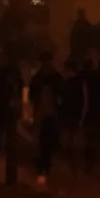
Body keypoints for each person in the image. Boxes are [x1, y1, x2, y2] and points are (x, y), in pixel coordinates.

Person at [29, 50, 63, 185]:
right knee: (42, 142)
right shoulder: (39, 78)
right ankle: (42, 168)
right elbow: (33, 96)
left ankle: (44, 166)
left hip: (50, 115)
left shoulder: (53, 78)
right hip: (42, 115)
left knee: (48, 142)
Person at [80, 46, 100, 173]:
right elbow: (84, 93)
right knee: (90, 138)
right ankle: (90, 165)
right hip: (89, 111)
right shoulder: (86, 74)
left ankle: (99, 163)